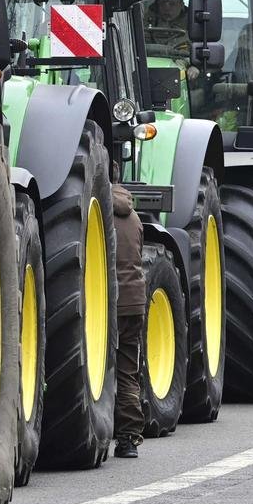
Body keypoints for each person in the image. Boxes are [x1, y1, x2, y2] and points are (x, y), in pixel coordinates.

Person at [112, 182, 146, 458]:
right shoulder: (134, 217)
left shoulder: (99, 214)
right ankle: (128, 439)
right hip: (135, 302)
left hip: (111, 303)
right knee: (127, 371)